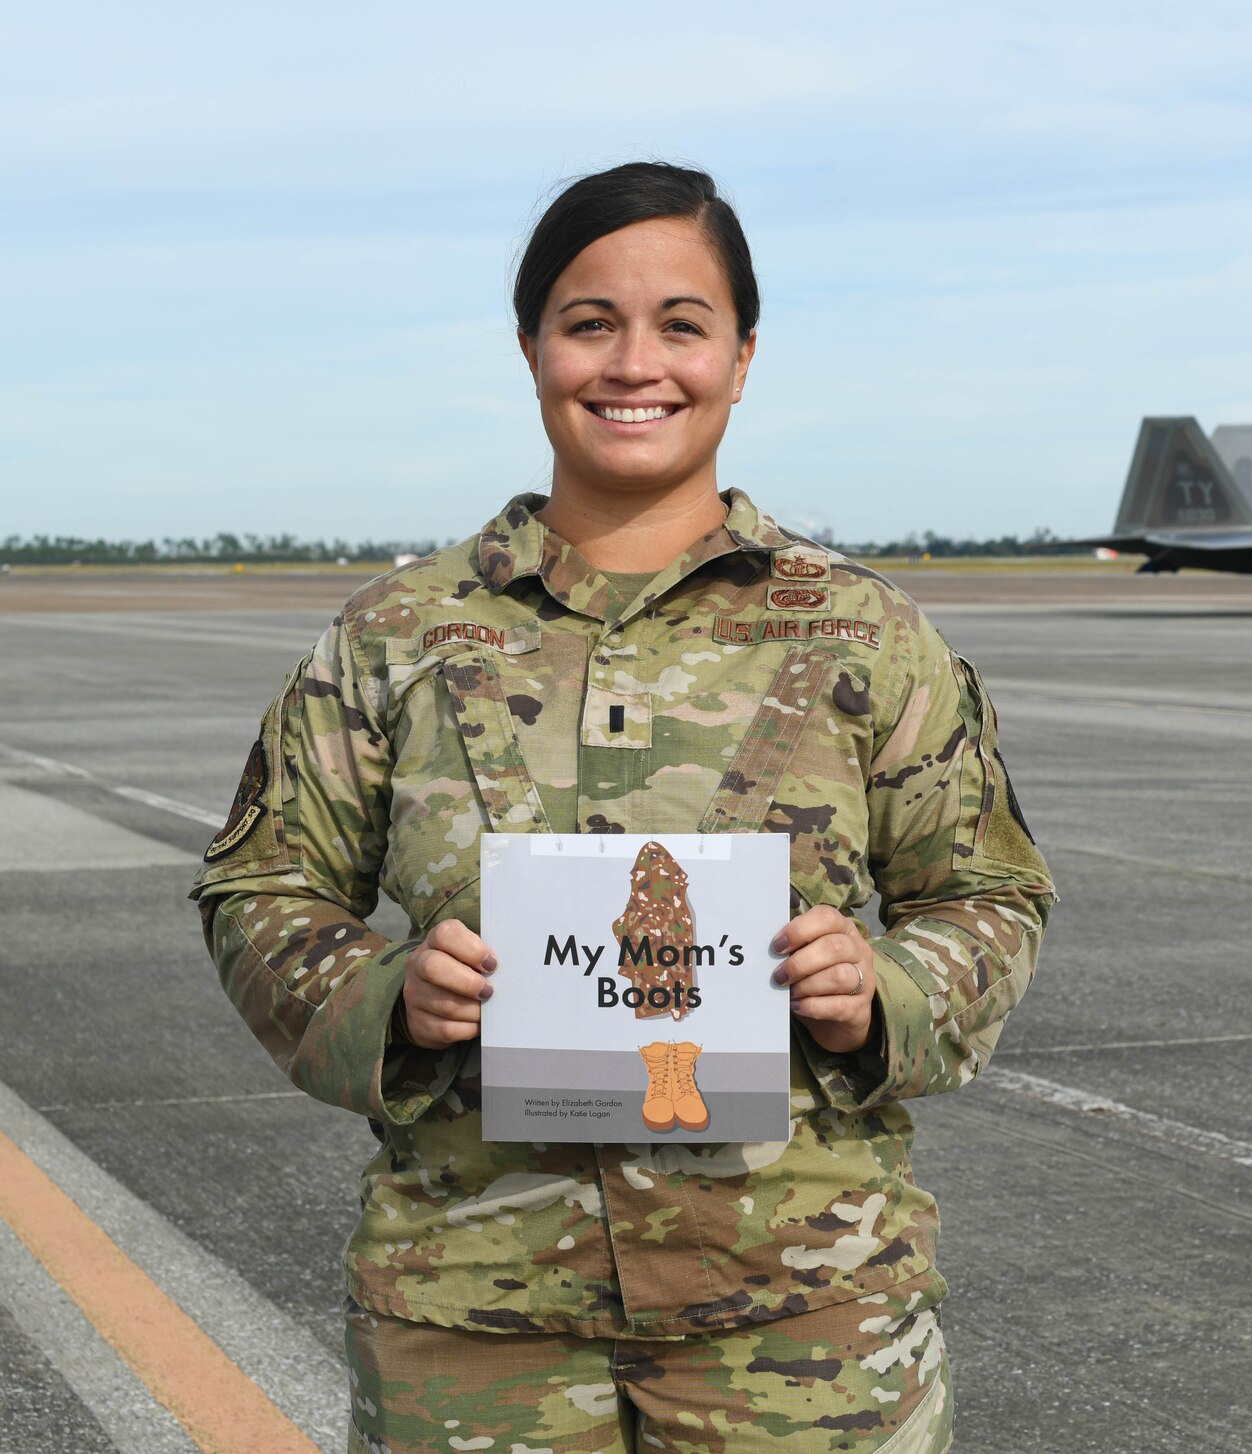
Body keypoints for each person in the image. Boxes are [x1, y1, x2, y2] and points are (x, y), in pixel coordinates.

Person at [191, 162, 1053, 1454]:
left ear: (742, 356)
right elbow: (261, 887)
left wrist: (884, 985)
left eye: (682, 323)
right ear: (533, 345)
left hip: (804, 1315)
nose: (634, 362)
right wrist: (385, 998)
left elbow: (987, 892)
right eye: (590, 321)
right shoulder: (398, 634)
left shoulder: (864, 631)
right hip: (476, 1316)